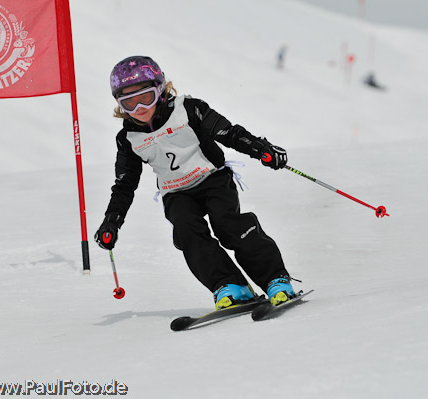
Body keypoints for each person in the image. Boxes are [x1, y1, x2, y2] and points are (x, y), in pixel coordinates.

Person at [95, 55, 296, 310]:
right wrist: (112, 221)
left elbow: (229, 133)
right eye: (129, 103)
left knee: (228, 224)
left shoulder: (188, 110)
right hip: (176, 193)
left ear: (159, 90)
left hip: (212, 179)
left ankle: (275, 280)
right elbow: (124, 184)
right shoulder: (128, 138)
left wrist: (260, 149)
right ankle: (230, 285)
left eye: (144, 97)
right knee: (186, 231)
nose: (139, 109)